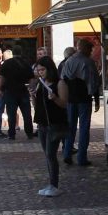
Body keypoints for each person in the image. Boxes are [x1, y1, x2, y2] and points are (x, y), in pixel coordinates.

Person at [59, 39, 101, 166]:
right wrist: (96, 98)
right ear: (86, 49)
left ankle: (67, 153)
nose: (91, 52)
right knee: (84, 128)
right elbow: (93, 83)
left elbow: (63, 79)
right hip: (84, 98)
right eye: (90, 49)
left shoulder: (69, 61)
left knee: (70, 127)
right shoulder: (88, 62)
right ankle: (82, 157)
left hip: (71, 98)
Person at [33, 56, 68, 197]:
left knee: (51, 154)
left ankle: (54, 185)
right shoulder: (41, 83)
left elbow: (64, 104)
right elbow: (38, 106)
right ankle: (51, 183)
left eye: (42, 70)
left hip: (55, 123)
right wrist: (34, 98)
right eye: (38, 70)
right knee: (47, 155)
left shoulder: (60, 83)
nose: (40, 72)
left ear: (49, 69)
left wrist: (54, 98)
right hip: (42, 123)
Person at [0, 49, 35, 139]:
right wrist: (30, 87)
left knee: (11, 114)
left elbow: (0, 77)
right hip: (23, 91)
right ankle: (29, 133)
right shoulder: (25, 63)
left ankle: (12, 134)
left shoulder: (7, 63)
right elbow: (32, 78)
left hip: (10, 91)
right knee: (27, 114)